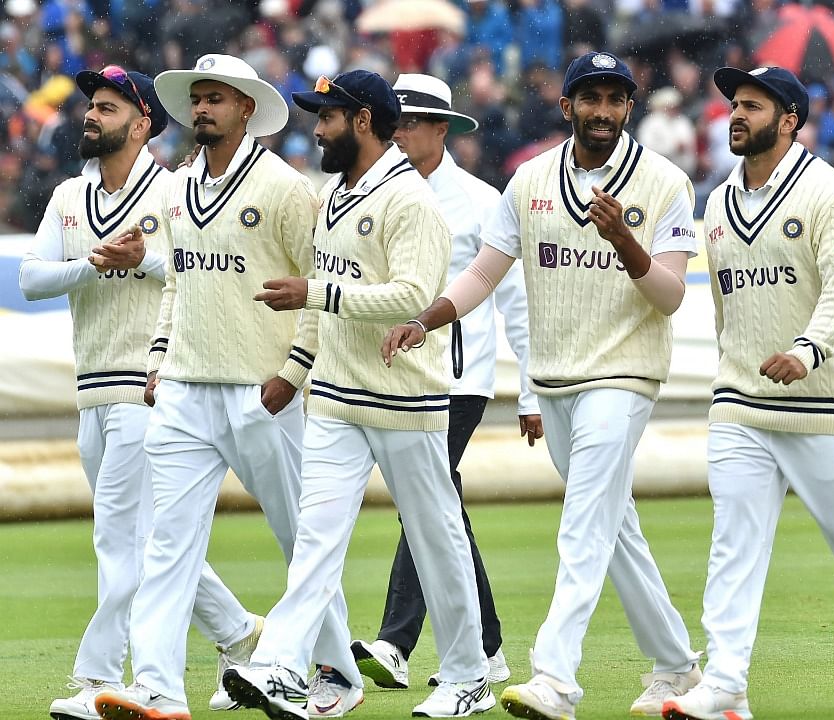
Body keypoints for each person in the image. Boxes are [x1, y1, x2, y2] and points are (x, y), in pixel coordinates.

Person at [381, 50, 702, 720]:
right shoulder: (528, 180)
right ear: (568, 107)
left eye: (617, 100)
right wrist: (426, 317)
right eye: (592, 99)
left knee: (584, 524)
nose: (604, 112)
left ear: (630, 108)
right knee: (616, 530)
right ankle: (676, 665)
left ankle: (555, 677)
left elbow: (669, 297)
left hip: (625, 373)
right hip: (556, 378)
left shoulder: (665, 182)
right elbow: (483, 273)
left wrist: (627, 243)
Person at [662, 66, 834, 720]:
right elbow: (726, 313)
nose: (736, 114)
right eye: (734, 104)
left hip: (825, 401)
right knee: (733, 541)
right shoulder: (717, 202)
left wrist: (807, 351)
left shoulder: (827, 190)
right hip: (740, 402)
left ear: (789, 119)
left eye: (753, 105)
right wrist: (733, 373)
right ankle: (726, 685)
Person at [220, 69, 496, 719]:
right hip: (336, 400)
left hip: (406, 401)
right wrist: (294, 368)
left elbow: (411, 295)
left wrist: (315, 294)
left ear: (364, 121)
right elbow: (322, 290)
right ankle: (283, 668)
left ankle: (467, 676)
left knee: (435, 541)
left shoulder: (411, 202)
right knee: (315, 541)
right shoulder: (332, 194)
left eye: (328, 117)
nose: (317, 130)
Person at [21, 64, 262, 720]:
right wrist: (93, 262)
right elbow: (31, 279)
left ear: (143, 122)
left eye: (106, 108)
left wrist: (142, 261)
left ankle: (97, 675)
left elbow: (204, 270)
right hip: (92, 386)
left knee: (119, 541)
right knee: (150, 540)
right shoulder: (69, 196)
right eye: (92, 107)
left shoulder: (177, 191)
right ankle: (239, 632)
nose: (92, 117)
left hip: (150, 384)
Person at [94, 54, 324, 720]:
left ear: (246, 109)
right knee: (167, 544)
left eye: (215, 98)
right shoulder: (175, 186)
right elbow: (177, 282)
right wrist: (159, 357)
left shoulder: (284, 187)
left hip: (262, 390)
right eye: (196, 98)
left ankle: (332, 672)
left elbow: (315, 286)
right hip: (187, 388)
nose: (201, 109)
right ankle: (159, 688)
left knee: (301, 541)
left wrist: (294, 370)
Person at [349, 72, 540, 691]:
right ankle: (486, 651)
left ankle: (396, 641)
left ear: (444, 130)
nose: (398, 134)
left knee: (426, 500)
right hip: (391, 373)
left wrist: (532, 393)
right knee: (437, 505)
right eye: (393, 122)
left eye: (410, 123)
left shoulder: (486, 203)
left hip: (458, 379)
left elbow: (516, 302)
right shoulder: (371, 193)